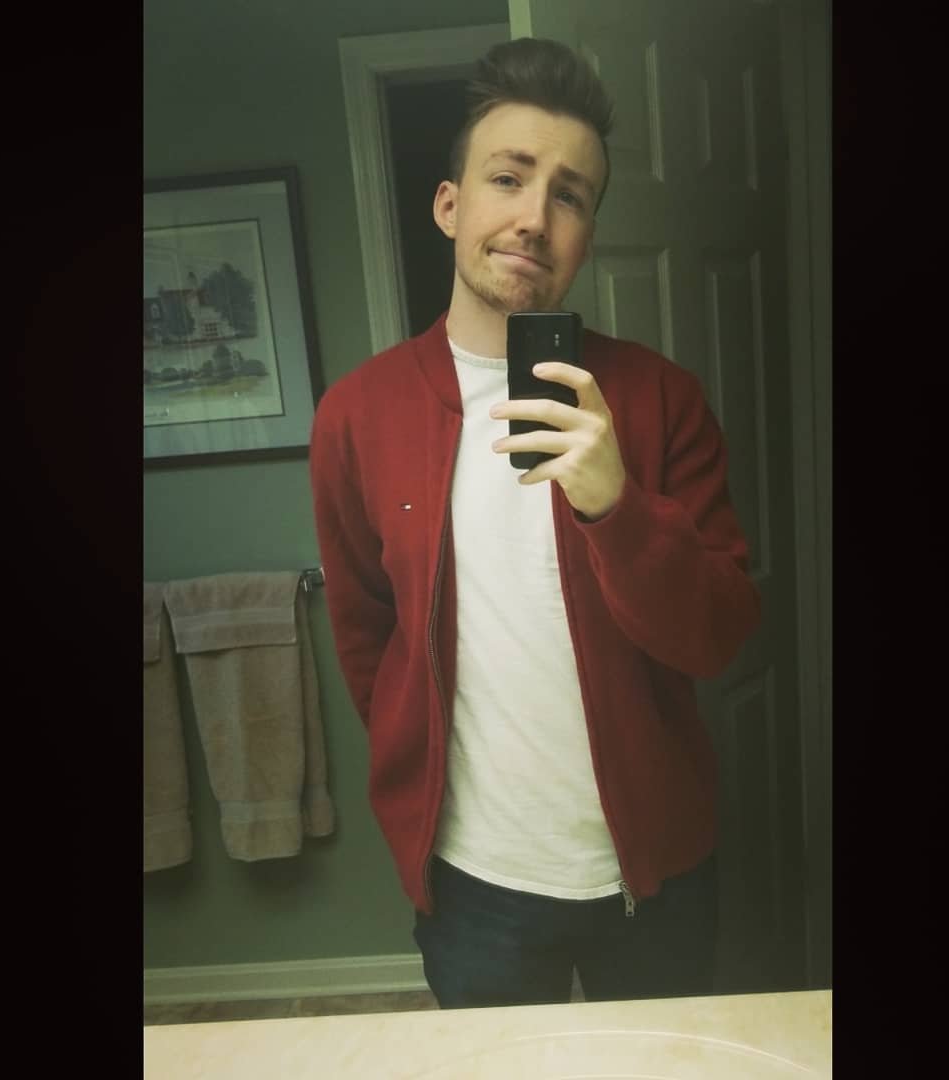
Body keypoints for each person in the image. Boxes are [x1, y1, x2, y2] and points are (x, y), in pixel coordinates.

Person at [310, 37, 760, 1009]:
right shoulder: (358, 414)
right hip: (472, 882)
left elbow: (720, 634)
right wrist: (412, 770)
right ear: (450, 204)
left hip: (656, 874)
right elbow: (366, 635)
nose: (534, 217)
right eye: (508, 178)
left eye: (570, 196)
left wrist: (615, 505)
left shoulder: (660, 399)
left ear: (588, 233)